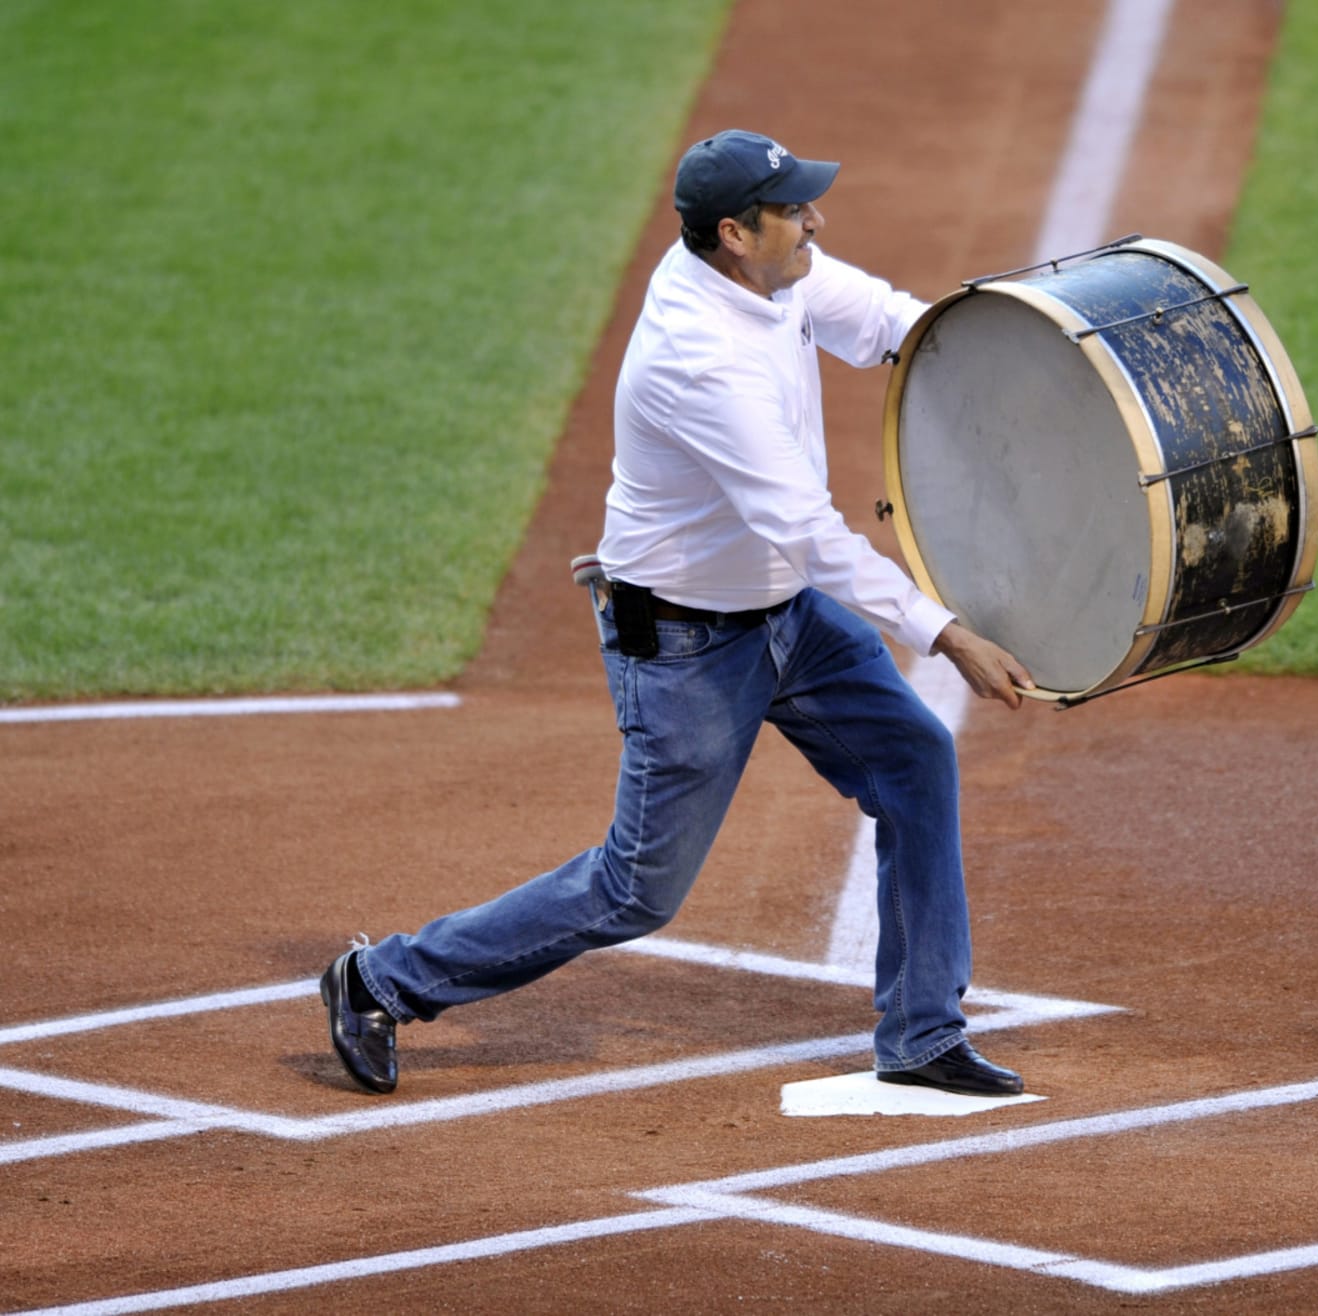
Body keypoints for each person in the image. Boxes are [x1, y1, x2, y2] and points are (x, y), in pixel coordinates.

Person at [320, 129, 1036, 1100]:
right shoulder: (700, 360)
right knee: (634, 889)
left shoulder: (765, 272)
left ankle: (920, 1033)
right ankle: (380, 979)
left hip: (781, 613)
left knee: (914, 756)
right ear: (735, 233)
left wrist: (981, 356)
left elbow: (874, 317)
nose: (813, 219)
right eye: (792, 210)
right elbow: (805, 529)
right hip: (691, 648)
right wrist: (945, 633)